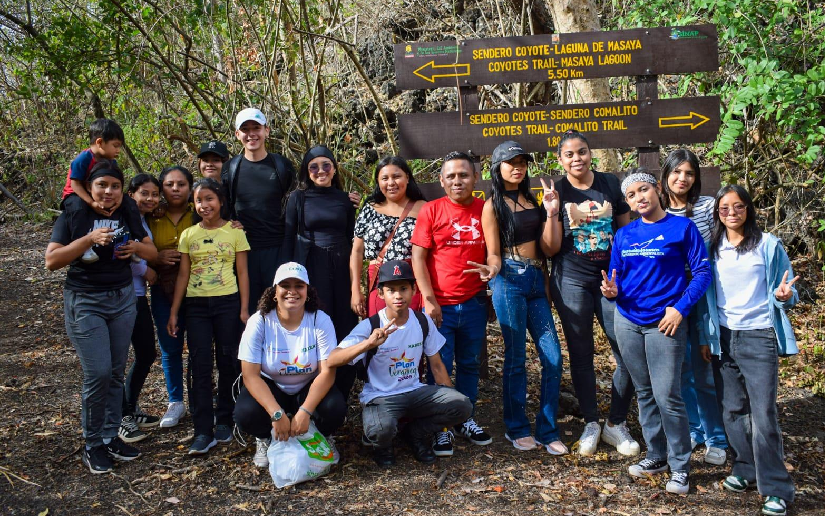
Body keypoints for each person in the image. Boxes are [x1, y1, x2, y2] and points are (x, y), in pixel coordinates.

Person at [601, 169, 711, 495]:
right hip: (628, 322)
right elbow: (616, 278)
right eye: (632, 195)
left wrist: (680, 308)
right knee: (644, 392)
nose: (640, 197)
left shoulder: (682, 228)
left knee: (668, 396)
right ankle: (657, 455)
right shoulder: (625, 235)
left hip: (666, 322)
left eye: (644, 189)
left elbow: (702, 272)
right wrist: (611, 292)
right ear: (629, 203)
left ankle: (680, 467)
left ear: (657, 189)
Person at [46, 161, 157, 474]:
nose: (109, 192)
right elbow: (52, 260)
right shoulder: (75, 212)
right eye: (102, 186)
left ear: (123, 190)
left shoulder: (128, 212)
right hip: (85, 301)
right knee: (98, 373)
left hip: (122, 299)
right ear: (91, 189)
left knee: (115, 372)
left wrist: (135, 246)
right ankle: (92, 443)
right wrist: (88, 240)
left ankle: (110, 436)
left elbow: (151, 253)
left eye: (115, 186)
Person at [700, 185, 797, 516]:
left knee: (763, 414)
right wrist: (706, 338)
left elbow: (786, 288)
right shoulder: (713, 247)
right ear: (717, 213)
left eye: (738, 206)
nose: (731, 213)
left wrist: (784, 297)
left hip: (759, 337)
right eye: (724, 208)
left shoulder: (767, 245)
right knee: (732, 409)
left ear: (748, 209)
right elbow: (705, 298)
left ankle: (776, 487)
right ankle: (745, 468)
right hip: (724, 337)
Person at [546, 130, 639, 457]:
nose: (577, 159)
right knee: (581, 353)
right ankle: (590, 422)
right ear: (560, 159)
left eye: (582, 152)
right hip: (571, 280)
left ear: (591, 153)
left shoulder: (610, 184)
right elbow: (550, 247)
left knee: (626, 349)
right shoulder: (556, 191)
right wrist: (550, 211)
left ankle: (616, 422)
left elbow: (627, 233)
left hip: (611, 281)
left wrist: (625, 275)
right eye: (569, 154)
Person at [328, 260, 472, 466]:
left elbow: (437, 366)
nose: (398, 296)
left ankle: (416, 434)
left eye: (403, 288)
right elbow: (333, 359)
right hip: (381, 396)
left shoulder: (423, 321)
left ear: (414, 290)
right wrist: (367, 344)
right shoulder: (371, 325)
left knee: (463, 406)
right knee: (380, 429)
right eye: (391, 290)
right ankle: (383, 445)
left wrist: (449, 402)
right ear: (380, 294)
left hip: (414, 392)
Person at [480, 141, 566, 455]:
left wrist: (552, 211)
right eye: (510, 163)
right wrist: (490, 271)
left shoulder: (533, 199)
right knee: (515, 357)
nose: (517, 168)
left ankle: (547, 428)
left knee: (553, 357)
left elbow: (547, 248)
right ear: (497, 167)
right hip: (509, 280)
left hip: (536, 278)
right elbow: (493, 252)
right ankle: (516, 427)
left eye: (522, 163)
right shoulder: (492, 205)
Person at [411, 151, 493, 456]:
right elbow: (418, 259)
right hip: (439, 305)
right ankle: (442, 426)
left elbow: (494, 252)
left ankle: (465, 417)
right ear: (442, 181)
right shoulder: (431, 211)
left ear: (474, 179)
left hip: (473, 302)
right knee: (438, 366)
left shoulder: (484, 210)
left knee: (470, 364)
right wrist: (429, 300)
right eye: (451, 176)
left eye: (464, 175)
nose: (458, 180)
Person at [167, 178, 250, 455]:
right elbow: (183, 274)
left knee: (227, 361)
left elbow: (243, 273)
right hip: (197, 307)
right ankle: (203, 430)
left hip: (228, 303)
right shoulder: (189, 235)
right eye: (199, 200)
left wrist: (244, 308)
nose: (205, 205)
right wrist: (175, 311)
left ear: (221, 201)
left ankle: (225, 419)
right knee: (199, 365)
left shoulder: (235, 233)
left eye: (210, 199)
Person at [234, 262, 346, 468]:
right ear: (275, 292)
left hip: (307, 385)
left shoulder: (320, 320)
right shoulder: (259, 321)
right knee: (245, 413)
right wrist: (276, 413)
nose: (292, 291)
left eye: (299, 286)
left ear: (308, 292)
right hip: (272, 386)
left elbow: (327, 372)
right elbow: (250, 375)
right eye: (285, 285)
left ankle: (321, 434)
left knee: (334, 407)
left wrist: (305, 411)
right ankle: (265, 438)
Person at [660, 149, 728, 465]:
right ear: (666, 176)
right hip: (669, 298)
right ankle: (694, 430)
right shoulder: (656, 210)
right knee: (681, 368)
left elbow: (724, 248)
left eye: (689, 173)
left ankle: (716, 437)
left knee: (704, 370)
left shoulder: (707, 207)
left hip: (702, 296)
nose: (682, 179)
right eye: (677, 172)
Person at [283, 146, 359, 400]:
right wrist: (288, 279)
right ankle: (316, 385)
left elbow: (352, 236)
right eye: (313, 167)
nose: (320, 171)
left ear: (334, 168)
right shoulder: (298, 198)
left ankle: (344, 387)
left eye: (326, 165)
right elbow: (288, 237)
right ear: (307, 171)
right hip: (311, 263)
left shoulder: (345, 199)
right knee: (317, 320)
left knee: (345, 322)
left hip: (341, 262)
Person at [222, 108, 296, 315]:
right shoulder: (231, 168)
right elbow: (223, 206)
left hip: (277, 248)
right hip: (244, 251)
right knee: (249, 311)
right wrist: (230, 223)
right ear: (238, 135)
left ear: (267, 131)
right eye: (245, 129)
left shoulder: (281, 165)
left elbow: (299, 201)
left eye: (256, 128)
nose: (251, 134)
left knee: (280, 307)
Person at [148, 165, 196, 428]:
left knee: (200, 346)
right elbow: (138, 246)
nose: (175, 189)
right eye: (169, 184)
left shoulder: (200, 212)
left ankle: (201, 397)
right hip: (163, 287)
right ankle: (175, 401)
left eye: (181, 184)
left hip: (200, 288)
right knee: (170, 344)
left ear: (190, 187)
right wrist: (155, 258)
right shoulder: (151, 216)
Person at [350, 156, 426, 317]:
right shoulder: (370, 208)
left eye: (396, 176)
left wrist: (428, 296)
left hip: (413, 283)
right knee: (381, 335)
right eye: (385, 178)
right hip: (378, 283)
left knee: (412, 334)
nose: (391, 183)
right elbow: (356, 251)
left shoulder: (423, 208)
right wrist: (355, 290)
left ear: (407, 177)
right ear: (378, 182)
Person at [118, 174, 162, 444]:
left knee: (146, 352)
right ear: (131, 193)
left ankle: (129, 406)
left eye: (155, 194)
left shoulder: (144, 219)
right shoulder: (123, 217)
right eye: (144, 193)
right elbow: (124, 251)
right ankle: (121, 415)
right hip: (122, 295)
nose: (150, 198)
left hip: (137, 296)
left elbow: (145, 249)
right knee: (120, 359)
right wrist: (147, 270)